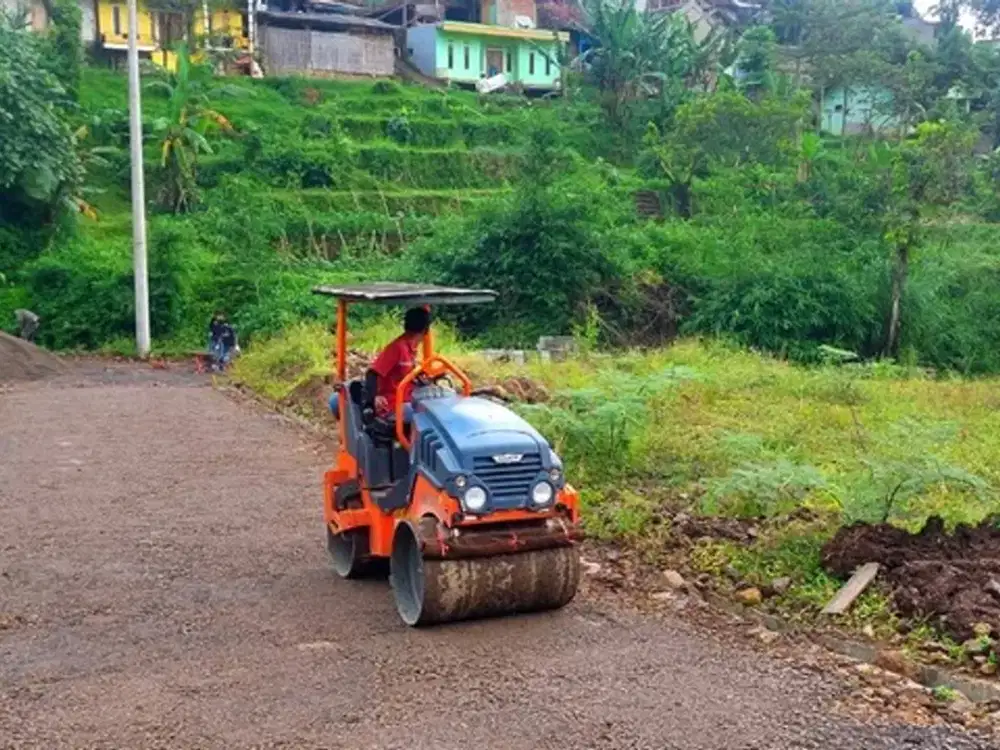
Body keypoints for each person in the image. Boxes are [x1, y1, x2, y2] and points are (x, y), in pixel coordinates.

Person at [329, 306, 431, 424]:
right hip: (391, 405)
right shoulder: (397, 348)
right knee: (424, 417)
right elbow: (372, 373)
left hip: (406, 399)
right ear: (426, 330)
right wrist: (373, 399)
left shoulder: (411, 350)